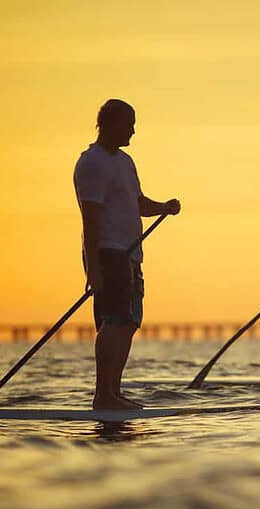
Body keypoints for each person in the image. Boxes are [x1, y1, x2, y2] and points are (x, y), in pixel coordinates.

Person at [74, 99, 180, 409]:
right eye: (128, 123)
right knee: (115, 320)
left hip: (131, 255)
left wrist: (164, 208)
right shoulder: (91, 162)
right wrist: (93, 267)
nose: (133, 130)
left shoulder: (125, 162)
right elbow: (90, 218)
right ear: (108, 124)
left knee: (129, 321)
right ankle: (102, 395)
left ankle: (114, 392)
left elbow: (138, 203)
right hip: (108, 252)